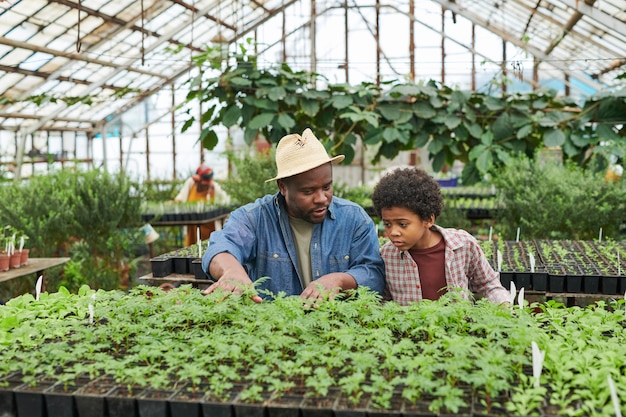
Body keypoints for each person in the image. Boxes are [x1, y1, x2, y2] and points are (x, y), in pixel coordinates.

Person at [202, 128, 386, 303]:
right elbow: (222, 246)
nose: (322, 198)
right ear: (283, 187)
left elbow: (373, 273)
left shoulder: (353, 219)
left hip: (337, 331)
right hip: (273, 331)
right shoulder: (255, 218)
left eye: (327, 187)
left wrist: (339, 280)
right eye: (308, 191)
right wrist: (232, 271)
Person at [371, 167, 509, 305]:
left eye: (402, 224)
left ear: (428, 220)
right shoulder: (387, 255)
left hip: (459, 325)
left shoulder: (463, 245)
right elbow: (384, 299)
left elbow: (488, 284)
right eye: (387, 224)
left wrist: (504, 305)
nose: (393, 232)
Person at [174, 164, 229, 246]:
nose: (205, 184)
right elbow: (181, 197)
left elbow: (226, 203)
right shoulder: (191, 183)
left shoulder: (215, 188)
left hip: (210, 231)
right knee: (191, 250)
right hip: (192, 227)